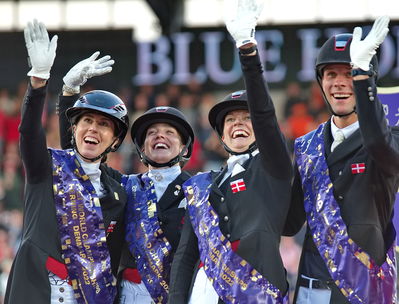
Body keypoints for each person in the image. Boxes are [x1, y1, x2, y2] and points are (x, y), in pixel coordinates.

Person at [168, 0, 293, 303]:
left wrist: (248, 51)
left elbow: (265, 115)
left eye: (246, 118)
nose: (238, 124)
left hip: (256, 291)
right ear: (220, 135)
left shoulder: (272, 169)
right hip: (204, 293)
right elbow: (185, 258)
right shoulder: (200, 186)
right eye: (230, 121)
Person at [5, 20, 129, 304]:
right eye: (86, 121)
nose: (93, 129)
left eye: (103, 124)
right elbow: (29, 132)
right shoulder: (45, 167)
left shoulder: (119, 192)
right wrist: (39, 83)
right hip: (36, 291)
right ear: (73, 128)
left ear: (116, 140)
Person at [58, 54, 195, 304]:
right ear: (141, 148)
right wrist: (69, 92)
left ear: (185, 148)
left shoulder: (201, 190)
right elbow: (77, 156)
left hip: (178, 296)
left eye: (169, 132)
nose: (159, 137)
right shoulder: (124, 187)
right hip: (125, 295)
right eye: (151, 133)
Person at [284, 16, 399, 303]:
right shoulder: (305, 146)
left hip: (365, 285)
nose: (339, 83)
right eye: (331, 75)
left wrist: (363, 79)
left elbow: (381, 149)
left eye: (348, 73)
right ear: (320, 83)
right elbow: (290, 223)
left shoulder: (391, 138)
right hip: (314, 287)